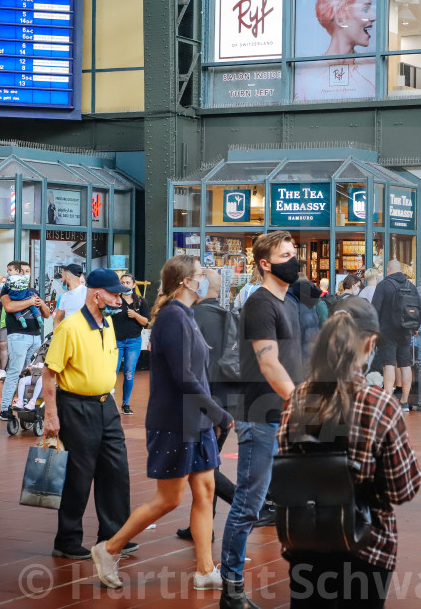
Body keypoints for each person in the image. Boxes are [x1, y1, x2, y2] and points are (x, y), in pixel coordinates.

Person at [91, 256, 232, 591]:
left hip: (193, 419)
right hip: (175, 421)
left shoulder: (186, 315)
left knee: (205, 490)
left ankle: (205, 569)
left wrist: (209, 414)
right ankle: (109, 548)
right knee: (169, 498)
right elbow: (185, 377)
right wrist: (217, 413)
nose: (205, 278)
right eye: (200, 274)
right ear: (185, 281)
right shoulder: (173, 318)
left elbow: (197, 373)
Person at [279, 298, 421, 608]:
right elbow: (402, 490)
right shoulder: (379, 404)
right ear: (370, 343)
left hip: (306, 541)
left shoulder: (299, 398)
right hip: (366, 546)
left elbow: (286, 464)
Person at [220, 230, 303, 609]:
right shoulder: (260, 304)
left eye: (295, 252)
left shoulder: (288, 302)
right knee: (248, 506)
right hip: (261, 416)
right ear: (265, 263)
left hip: (283, 416)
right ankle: (231, 588)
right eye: (285, 254)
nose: (294, 259)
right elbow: (268, 362)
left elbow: (289, 360)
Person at [41, 268, 135, 560]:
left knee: (116, 471)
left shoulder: (107, 324)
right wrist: (51, 415)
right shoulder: (70, 327)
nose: (120, 298)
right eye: (115, 293)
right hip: (76, 406)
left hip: (106, 406)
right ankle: (67, 541)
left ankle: (114, 534)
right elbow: (49, 372)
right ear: (97, 293)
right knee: (79, 475)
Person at [180, 268, 239, 542]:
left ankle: (247, 504)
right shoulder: (227, 317)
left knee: (204, 466)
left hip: (206, 402)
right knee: (207, 463)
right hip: (226, 401)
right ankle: (202, 526)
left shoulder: (193, 318)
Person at [292, 0, 377, 102]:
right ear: (341, 19)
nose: (373, 17)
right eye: (365, 9)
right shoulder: (304, 80)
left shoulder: (374, 71)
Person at [0, 261, 50, 420]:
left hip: (36, 336)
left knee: (32, 372)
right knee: (14, 372)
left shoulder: (33, 291)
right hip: (18, 336)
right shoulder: (7, 290)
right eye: (24, 271)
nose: (27, 274)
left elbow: (47, 314)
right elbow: (9, 307)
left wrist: (40, 303)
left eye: (29, 271)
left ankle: (26, 404)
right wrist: (30, 301)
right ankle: (5, 408)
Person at [370, 260, 419, 412]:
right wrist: (415, 327)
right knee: (405, 365)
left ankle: (387, 400)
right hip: (405, 330)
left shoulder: (383, 285)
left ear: (388, 269)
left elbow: (374, 309)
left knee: (389, 364)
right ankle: (405, 401)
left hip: (387, 331)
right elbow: (420, 309)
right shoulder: (411, 286)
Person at [113, 273, 151, 415]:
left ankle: (126, 403)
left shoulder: (141, 301)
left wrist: (135, 315)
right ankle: (109, 402)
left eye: (128, 282)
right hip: (116, 341)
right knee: (113, 372)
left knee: (129, 373)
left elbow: (146, 322)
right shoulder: (114, 300)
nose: (125, 285)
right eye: (123, 282)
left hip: (133, 341)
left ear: (134, 285)